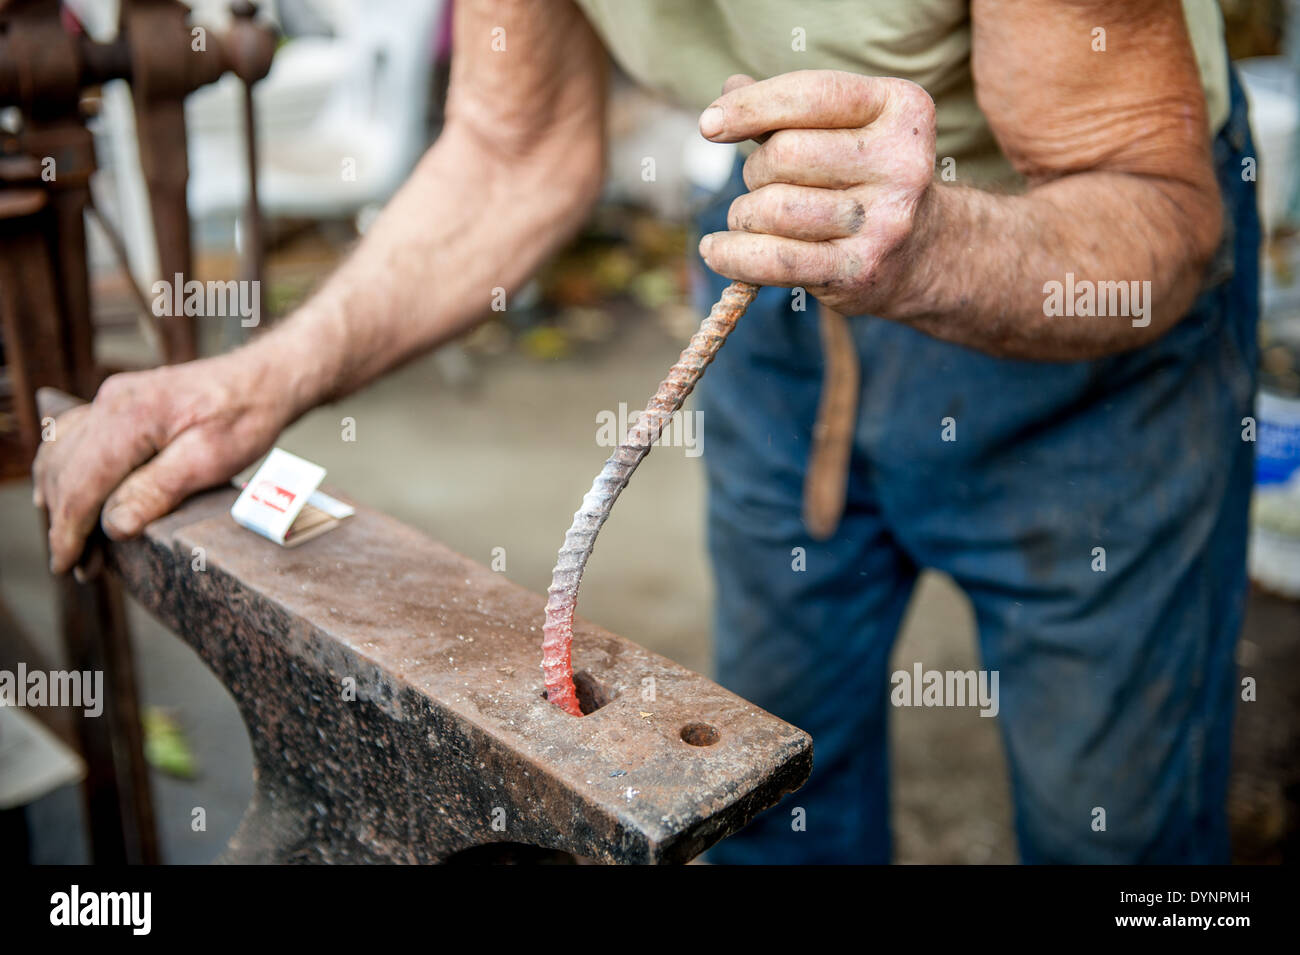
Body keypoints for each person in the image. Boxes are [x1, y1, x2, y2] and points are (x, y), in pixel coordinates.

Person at [33, 0, 1257, 863]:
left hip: (1078, 285)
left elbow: (1151, 196)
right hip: (788, 274)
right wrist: (257, 381)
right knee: (756, 796)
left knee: (1115, 828)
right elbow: (515, 145)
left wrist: (931, 247)